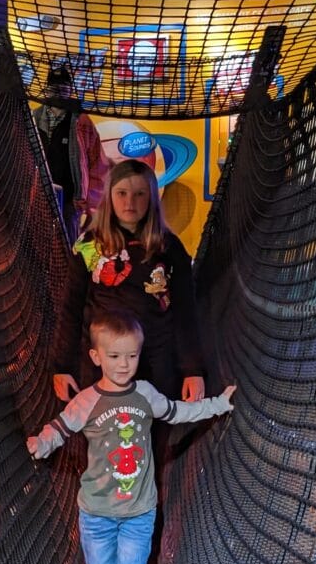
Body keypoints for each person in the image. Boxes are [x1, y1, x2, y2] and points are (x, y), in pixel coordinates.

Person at [27, 310, 236, 564]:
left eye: (131, 356)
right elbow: (60, 428)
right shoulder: (88, 401)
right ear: (96, 357)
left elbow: (177, 412)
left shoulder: (144, 394)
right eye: (114, 356)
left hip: (139, 511)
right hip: (96, 511)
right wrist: (42, 443)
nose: (123, 364)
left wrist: (217, 404)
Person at [53, 158, 205, 403]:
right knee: (105, 435)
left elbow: (186, 313)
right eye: (122, 193)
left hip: (156, 364)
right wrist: (62, 367)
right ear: (110, 196)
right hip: (101, 366)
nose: (129, 202)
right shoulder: (90, 245)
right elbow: (71, 308)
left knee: (152, 434)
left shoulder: (168, 247)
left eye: (139, 194)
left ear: (152, 198)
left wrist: (193, 370)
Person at [33, 65, 107, 240]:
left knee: (68, 249)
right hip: (36, 198)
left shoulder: (82, 122)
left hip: (69, 202)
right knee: (35, 246)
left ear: (70, 89)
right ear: (47, 88)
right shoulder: (33, 118)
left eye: (63, 87)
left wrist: (92, 207)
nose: (58, 92)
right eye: (54, 87)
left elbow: (97, 165)